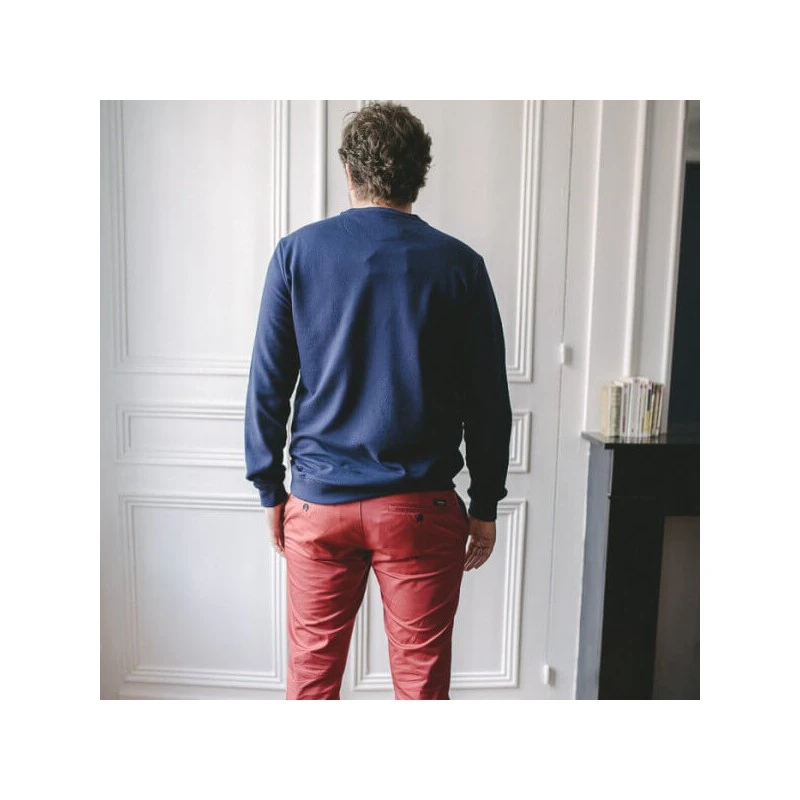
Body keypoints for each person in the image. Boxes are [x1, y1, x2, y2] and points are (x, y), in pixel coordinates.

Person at [244, 101, 512, 700]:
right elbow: (488, 400)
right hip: (420, 508)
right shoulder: (461, 267)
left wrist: (269, 488)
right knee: (421, 690)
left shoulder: (296, 254)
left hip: (319, 504)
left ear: (348, 171)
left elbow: (267, 385)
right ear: (420, 174)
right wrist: (486, 502)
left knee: (311, 686)